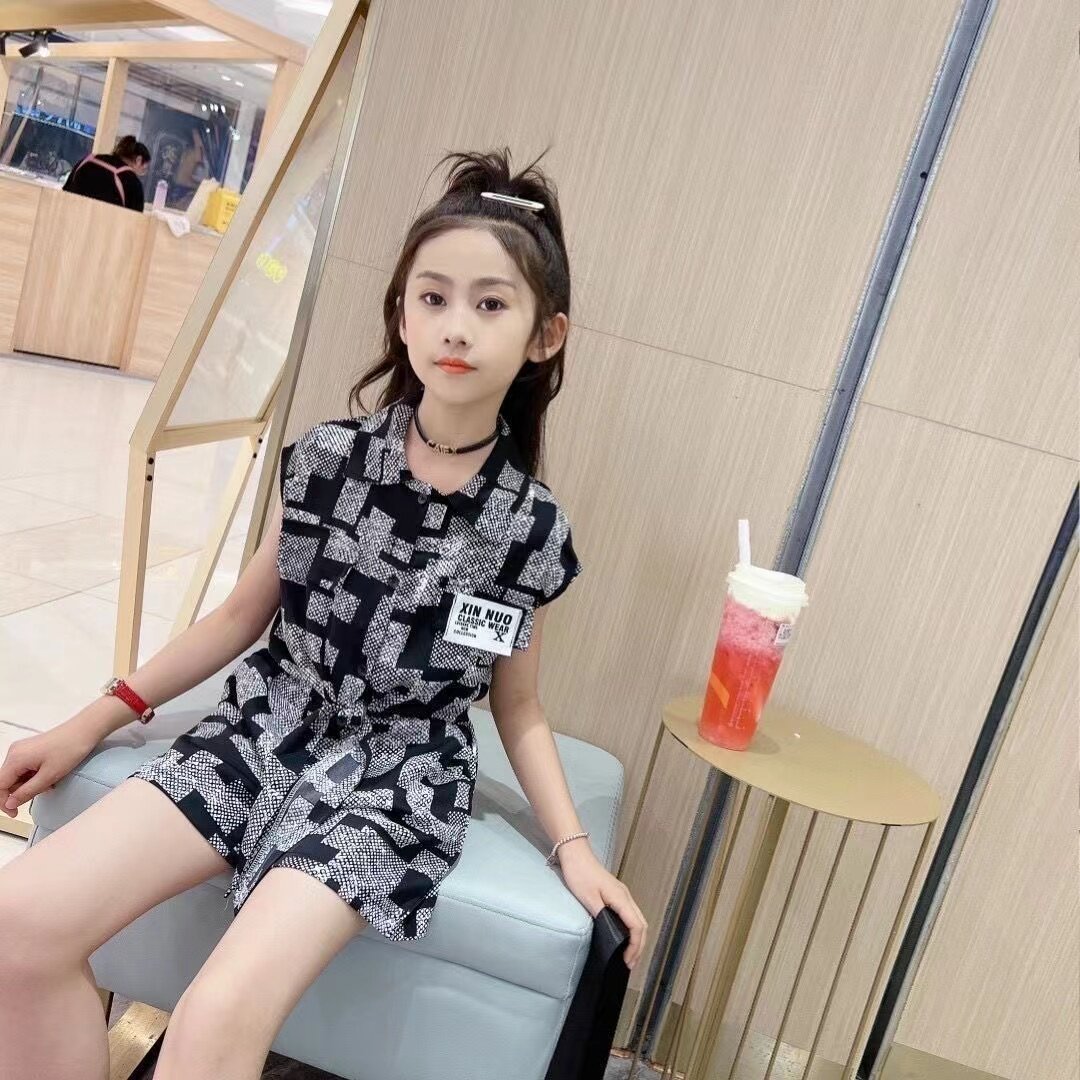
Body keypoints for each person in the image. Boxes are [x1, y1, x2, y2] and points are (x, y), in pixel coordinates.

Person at [0, 147, 648, 1078]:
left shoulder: (527, 529)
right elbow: (236, 621)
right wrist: (92, 719)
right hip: (264, 727)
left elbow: (518, 708)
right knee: (18, 924)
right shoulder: (327, 461)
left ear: (546, 336)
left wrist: (574, 850)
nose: (455, 326)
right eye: (433, 297)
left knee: (215, 1019)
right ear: (400, 313)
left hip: (396, 783)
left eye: (490, 304)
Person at [61, 134, 150, 212]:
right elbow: (135, 221)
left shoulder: (87, 160)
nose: (142, 174)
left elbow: (64, 194)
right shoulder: (132, 182)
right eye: (143, 169)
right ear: (138, 160)